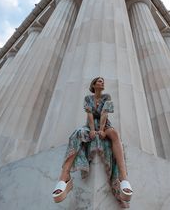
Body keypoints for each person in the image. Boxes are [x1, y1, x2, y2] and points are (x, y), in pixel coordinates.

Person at [52, 77, 133, 207]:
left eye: (103, 81)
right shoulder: (88, 99)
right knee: (77, 134)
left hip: (104, 125)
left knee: (114, 134)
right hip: (90, 126)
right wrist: (92, 130)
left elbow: (104, 114)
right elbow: (89, 115)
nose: (102, 82)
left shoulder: (107, 97)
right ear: (94, 84)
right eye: (99, 81)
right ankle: (64, 176)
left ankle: (123, 178)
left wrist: (101, 130)